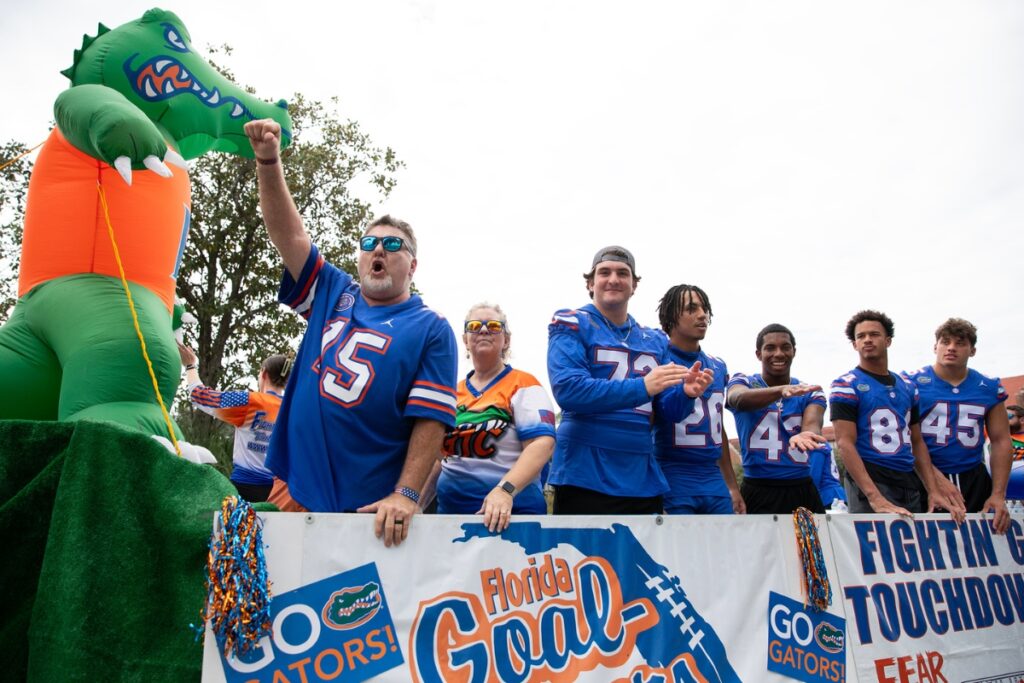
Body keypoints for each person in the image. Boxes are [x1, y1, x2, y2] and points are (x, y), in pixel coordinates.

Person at [244, 119, 458, 546]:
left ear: (412, 266)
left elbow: (431, 419)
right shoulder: (333, 291)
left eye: (394, 245)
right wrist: (268, 161)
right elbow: (290, 235)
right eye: (370, 243)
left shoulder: (431, 327)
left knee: (356, 609)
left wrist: (406, 493)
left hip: (371, 507)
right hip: (295, 486)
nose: (379, 249)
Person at [546, 247, 713, 515]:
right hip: (586, 471)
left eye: (623, 273)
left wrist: (686, 394)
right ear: (591, 283)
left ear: (634, 285)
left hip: (640, 475)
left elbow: (666, 412)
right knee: (585, 557)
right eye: (605, 272)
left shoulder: (654, 339)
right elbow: (569, 390)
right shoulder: (572, 321)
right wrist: (642, 386)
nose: (614, 279)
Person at [432, 303, 556, 532]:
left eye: (494, 326)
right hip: (451, 519)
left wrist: (505, 490)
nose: (484, 330)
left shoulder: (524, 384)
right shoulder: (451, 392)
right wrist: (415, 501)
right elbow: (438, 458)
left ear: (506, 340)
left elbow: (542, 444)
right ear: (465, 339)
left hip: (512, 517)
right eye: (475, 326)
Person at [829, 310, 964, 520]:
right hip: (872, 477)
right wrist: (874, 497)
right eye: (860, 336)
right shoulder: (846, 384)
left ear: (888, 340)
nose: (867, 340)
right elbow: (845, 444)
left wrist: (933, 490)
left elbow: (917, 441)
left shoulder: (908, 386)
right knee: (874, 550)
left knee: (915, 548)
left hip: (907, 478)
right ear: (854, 345)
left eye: (873, 334)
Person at [902, 318, 1012, 532]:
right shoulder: (910, 382)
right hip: (923, 474)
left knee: (982, 545)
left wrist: (998, 494)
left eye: (960, 343)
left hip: (972, 475)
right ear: (936, 346)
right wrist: (933, 477)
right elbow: (903, 437)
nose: (951, 348)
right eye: (945, 342)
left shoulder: (989, 387)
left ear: (972, 350)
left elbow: (1000, 440)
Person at [655, 285, 744, 515]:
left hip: (712, 477)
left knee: (724, 549)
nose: (702, 314)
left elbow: (718, 427)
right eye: (691, 309)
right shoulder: (657, 359)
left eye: (704, 309)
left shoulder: (717, 365)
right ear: (671, 316)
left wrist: (732, 487)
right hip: (672, 474)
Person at [725, 324, 827, 514]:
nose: (778, 353)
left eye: (785, 347)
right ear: (758, 354)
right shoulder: (744, 381)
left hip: (802, 488)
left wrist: (806, 435)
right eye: (770, 348)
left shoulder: (809, 392)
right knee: (758, 544)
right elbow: (737, 399)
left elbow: (812, 425)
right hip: (758, 487)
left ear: (794, 352)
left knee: (810, 544)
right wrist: (780, 391)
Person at [178, 343, 291, 502]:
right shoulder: (292, 409)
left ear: (263, 374)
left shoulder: (251, 401)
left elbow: (200, 396)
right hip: (279, 495)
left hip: (244, 489)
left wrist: (190, 366)